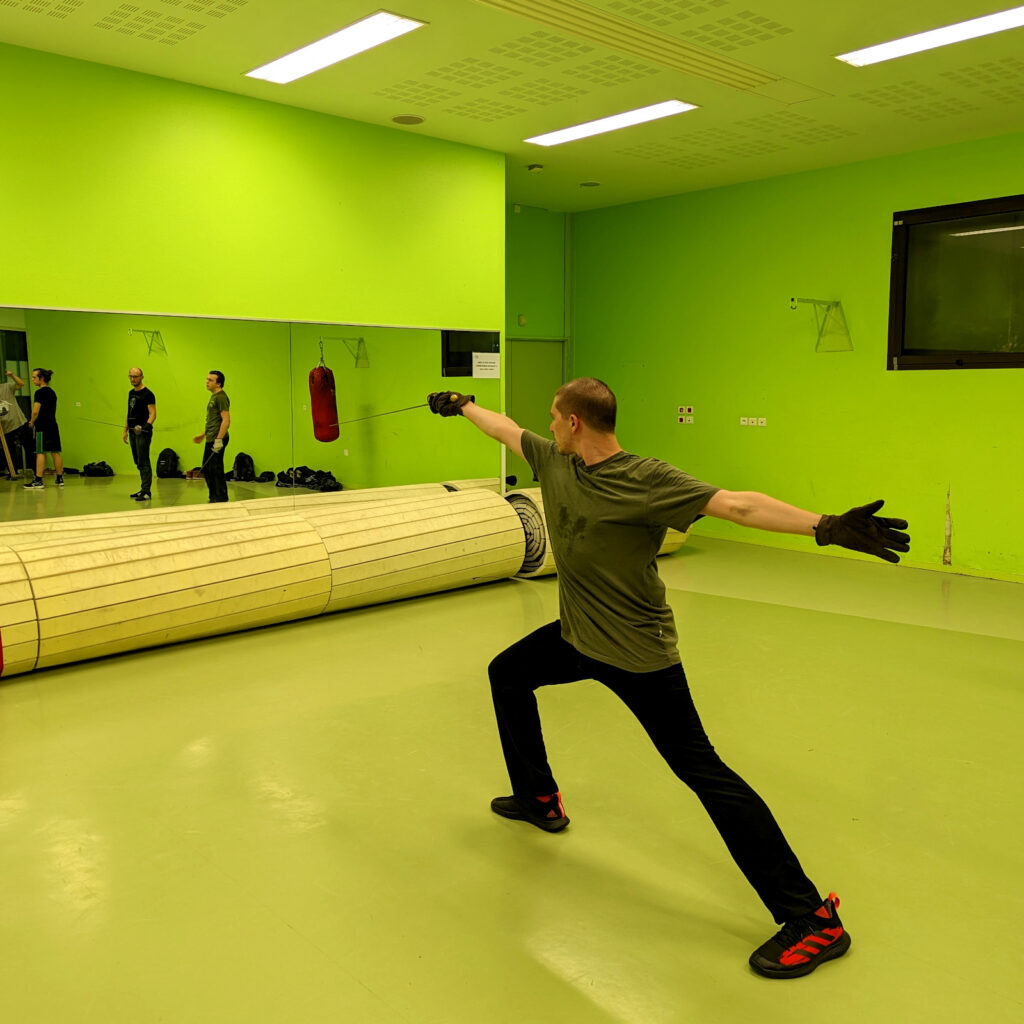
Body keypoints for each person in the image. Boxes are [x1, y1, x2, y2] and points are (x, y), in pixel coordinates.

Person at [427, 379, 910, 979]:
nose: (547, 426)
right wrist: (462, 406)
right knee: (508, 673)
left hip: (639, 655)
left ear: (575, 422)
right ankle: (538, 798)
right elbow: (503, 427)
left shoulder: (646, 479)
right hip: (579, 637)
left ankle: (814, 920)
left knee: (705, 774)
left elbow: (736, 504)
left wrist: (826, 525)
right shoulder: (553, 459)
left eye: (554, 417)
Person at [193, 370, 230, 503]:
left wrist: (219, 440)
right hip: (211, 437)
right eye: (207, 379)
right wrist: (203, 435)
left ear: (218, 383)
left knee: (215, 469)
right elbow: (214, 420)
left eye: (210, 380)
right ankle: (214, 496)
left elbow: (226, 420)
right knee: (208, 469)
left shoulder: (221, 397)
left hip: (217, 439)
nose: (207, 382)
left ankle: (221, 498)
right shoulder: (213, 397)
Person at [24, 368, 63, 489]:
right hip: (53, 426)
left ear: (41, 379)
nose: (32, 379)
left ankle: (38, 480)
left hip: (42, 427)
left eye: (34, 377)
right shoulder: (52, 392)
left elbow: (35, 411)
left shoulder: (39, 393)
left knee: (40, 452)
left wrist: (31, 421)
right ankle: (59, 479)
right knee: (55, 451)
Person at [123, 367, 156, 501]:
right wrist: (125, 430)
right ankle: (143, 489)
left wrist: (146, 426)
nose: (132, 379)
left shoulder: (148, 394)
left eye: (135, 376)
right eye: (130, 376)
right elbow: (129, 412)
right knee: (137, 461)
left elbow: (153, 413)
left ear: (142, 377)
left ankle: (146, 491)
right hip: (131, 431)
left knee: (143, 460)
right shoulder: (131, 393)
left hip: (142, 432)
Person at [0, 368, 31, 479]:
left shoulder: (6, 387)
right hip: (5, 428)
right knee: (9, 451)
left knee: (29, 447)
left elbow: (21, 383)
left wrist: (12, 375)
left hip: (19, 422)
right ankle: (13, 472)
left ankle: (37, 472)